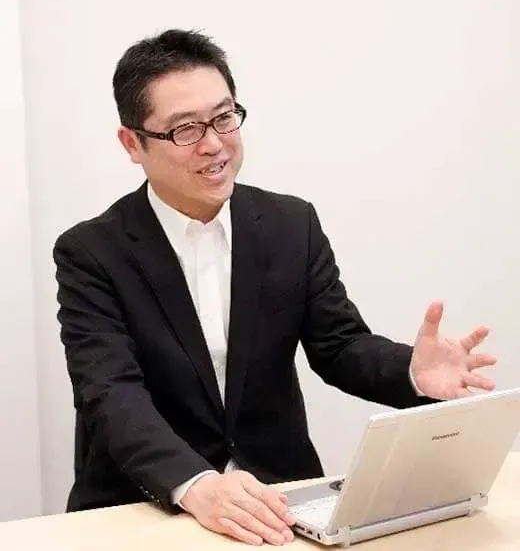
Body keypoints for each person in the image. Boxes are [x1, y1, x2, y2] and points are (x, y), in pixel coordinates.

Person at [53, 28, 496, 546]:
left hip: (278, 500)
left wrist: (412, 372)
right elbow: (111, 393)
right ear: (133, 143)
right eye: (185, 129)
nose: (214, 144)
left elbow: (339, 346)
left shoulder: (291, 224)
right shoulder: (91, 253)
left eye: (224, 117)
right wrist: (196, 485)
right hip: (148, 506)